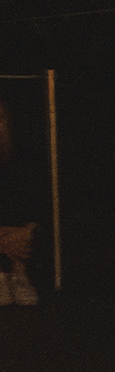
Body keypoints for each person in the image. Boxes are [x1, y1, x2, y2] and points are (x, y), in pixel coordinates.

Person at [0, 96, 37, 306]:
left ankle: (15, 272)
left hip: (16, 240)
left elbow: (36, 208)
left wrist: (26, 233)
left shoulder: (21, 161)